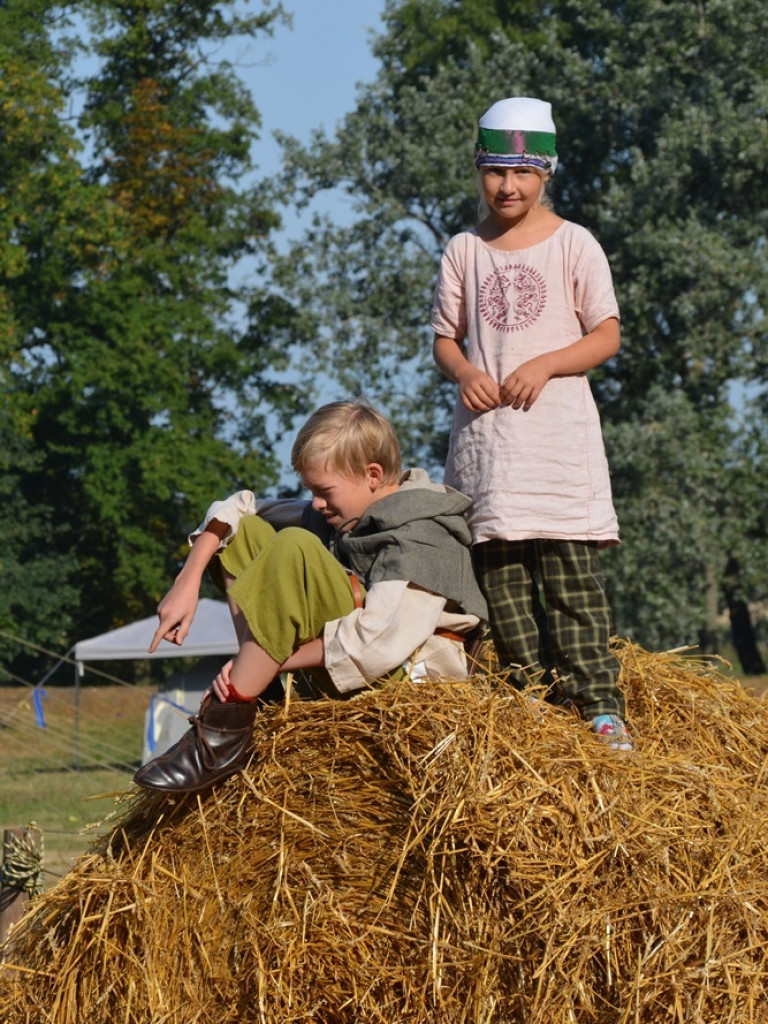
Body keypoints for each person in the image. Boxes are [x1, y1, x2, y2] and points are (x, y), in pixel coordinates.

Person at [134, 399, 488, 793]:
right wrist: (190, 577)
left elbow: (375, 645)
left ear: (373, 474)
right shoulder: (347, 510)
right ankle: (260, 695)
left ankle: (224, 728)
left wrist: (262, 663)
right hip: (344, 666)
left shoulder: (421, 535)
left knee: (294, 547)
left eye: (324, 491)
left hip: (403, 684)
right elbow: (240, 508)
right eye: (310, 491)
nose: (316, 503)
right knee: (244, 536)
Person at [431, 96, 632, 750]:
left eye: (520, 172)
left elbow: (606, 335)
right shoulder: (464, 249)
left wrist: (545, 365)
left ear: (546, 171)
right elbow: (445, 340)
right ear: (478, 172)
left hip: (555, 452)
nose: (507, 186)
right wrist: (465, 373)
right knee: (507, 593)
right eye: (493, 171)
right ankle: (532, 710)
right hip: (490, 454)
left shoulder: (575, 243)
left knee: (572, 586)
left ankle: (601, 708)